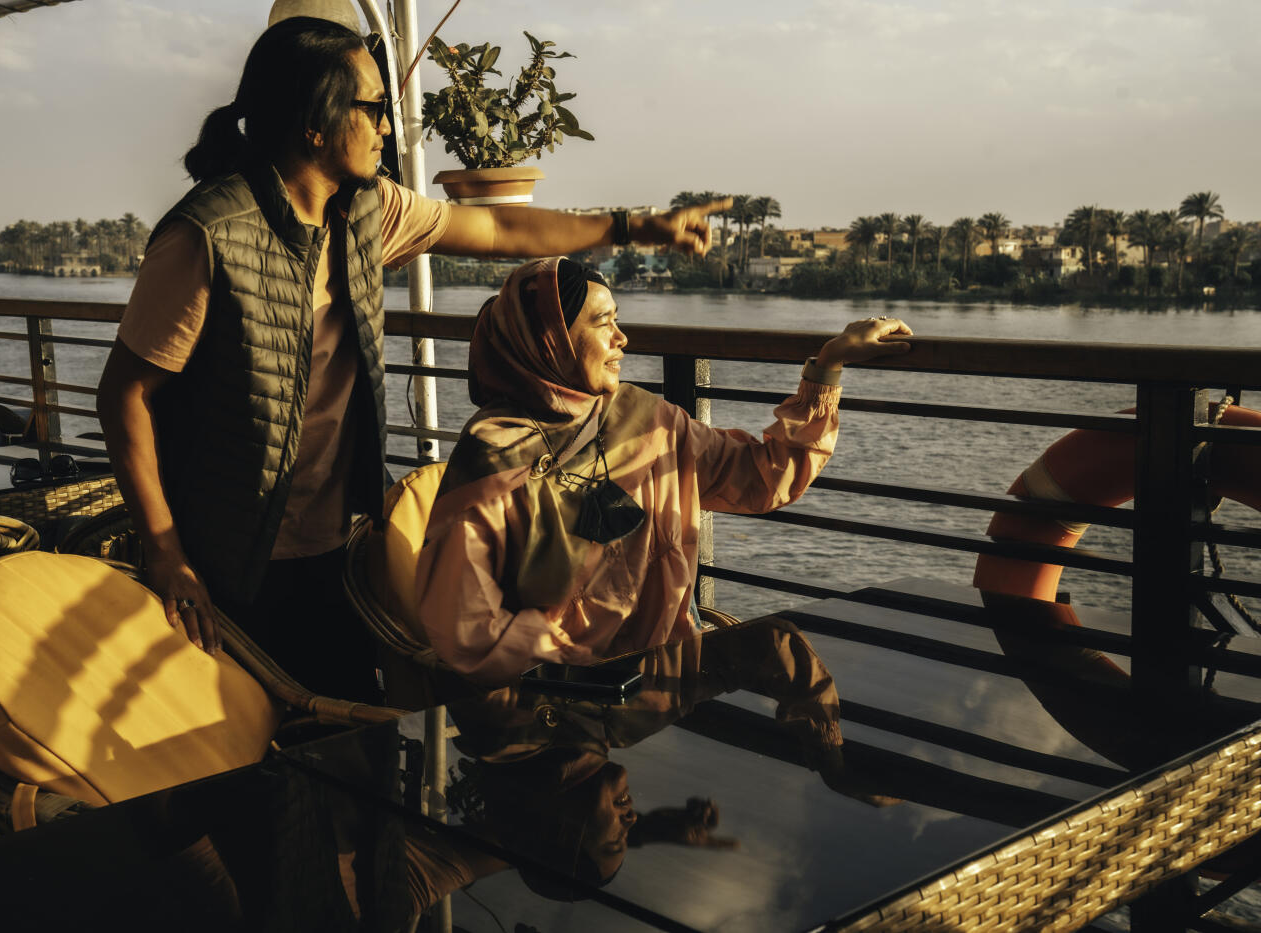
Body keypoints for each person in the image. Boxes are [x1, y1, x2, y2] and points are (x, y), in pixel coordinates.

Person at [95, 17, 728, 701]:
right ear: (316, 123)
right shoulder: (208, 237)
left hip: (332, 544)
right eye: (373, 109)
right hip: (226, 555)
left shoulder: (367, 211)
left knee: (348, 746)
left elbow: (497, 225)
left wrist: (634, 227)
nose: (388, 129)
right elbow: (124, 395)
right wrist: (164, 551)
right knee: (246, 762)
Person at [415, 257, 913, 682]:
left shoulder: (646, 419)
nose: (622, 338)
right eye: (602, 322)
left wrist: (828, 366)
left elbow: (763, 477)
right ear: (551, 340)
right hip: (561, 699)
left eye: (618, 320)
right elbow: (465, 624)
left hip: (668, 676)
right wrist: (576, 662)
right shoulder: (492, 456)